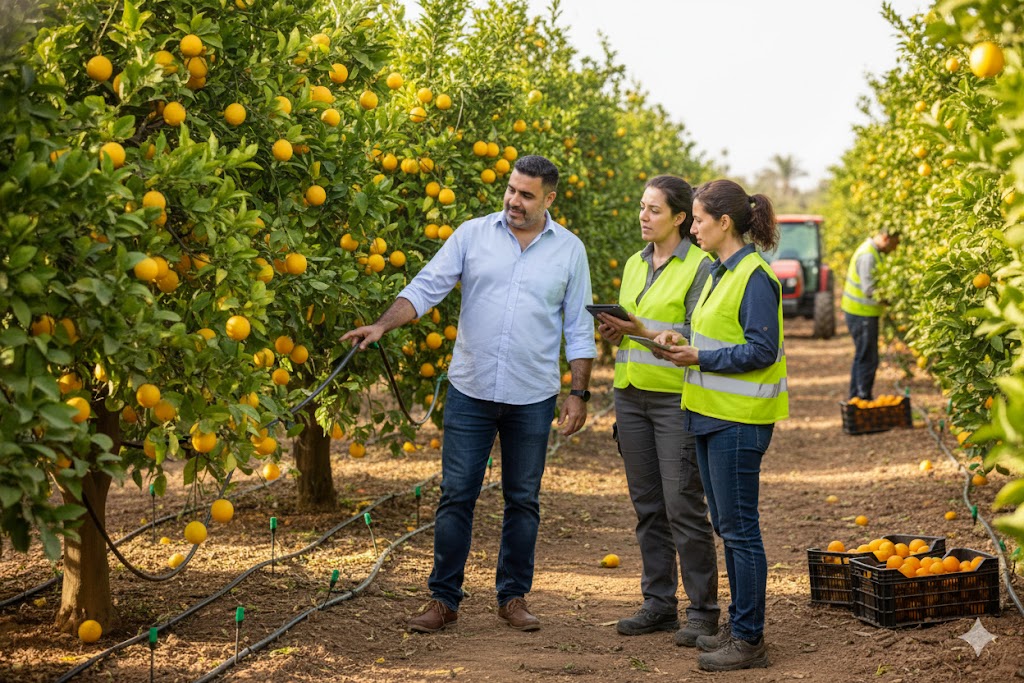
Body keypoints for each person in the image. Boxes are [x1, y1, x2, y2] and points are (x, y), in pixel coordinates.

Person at [341, 155, 596, 634]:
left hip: (532, 394)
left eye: (526, 194)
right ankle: (444, 600)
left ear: (549, 198)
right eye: (511, 190)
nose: (514, 201)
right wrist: (382, 324)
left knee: (523, 499)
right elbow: (427, 287)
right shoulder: (472, 234)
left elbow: (579, 326)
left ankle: (513, 597)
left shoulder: (570, 251)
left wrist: (578, 391)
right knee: (456, 495)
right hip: (472, 388)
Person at [653, 179, 788, 672]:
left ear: (724, 222)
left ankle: (750, 640)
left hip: (738, 421)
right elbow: (715, 331)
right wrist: (679, 337)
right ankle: (740, 625)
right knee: (727, 527)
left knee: (740, 531)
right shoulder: (717, 271)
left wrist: (701, 356)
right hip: (710, 416)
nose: (692, 227)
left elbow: (761, 349)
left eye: (698, 219)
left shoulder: (753, 275)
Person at [594, 175, 720, 647]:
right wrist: (617, 332)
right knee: (647, 506)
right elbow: (636, 328)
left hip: (673, 397)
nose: (643, 217)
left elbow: (693, 332)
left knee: (683, 505)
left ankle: (704, 611)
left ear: (681, 217)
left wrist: (640, 328)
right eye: (641, 207)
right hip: (630, 394)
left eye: (654, 210)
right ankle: (659, 603)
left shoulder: (701, 267)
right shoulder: (633, 263)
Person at [840, 229, 900, 400]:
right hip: (861, 313)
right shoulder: (868, 255)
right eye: (894, 244)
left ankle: (857, 398)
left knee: (863, 355)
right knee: (867, 357)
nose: (894, 249)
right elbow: (869, 289)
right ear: (885, 238)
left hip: (863, 313)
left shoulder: (873, 252)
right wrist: (890, 299)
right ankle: (862, 398)